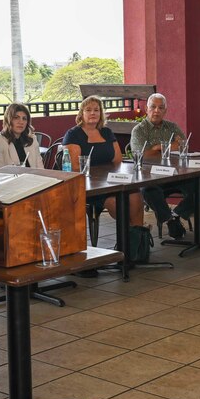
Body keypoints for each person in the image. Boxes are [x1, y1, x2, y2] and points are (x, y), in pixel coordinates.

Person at [63, 96, 144, 269]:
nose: (93, 113)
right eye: (88, 110)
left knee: (136, 194)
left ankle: (136, 248)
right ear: (81, 113)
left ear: (101, 113)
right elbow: (76, 166)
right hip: (90, 188)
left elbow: (117, 159)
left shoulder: (106, 132)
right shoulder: (73, 134)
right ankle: (131, 244)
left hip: (111, 181)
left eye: (96, 110)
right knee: (115, 201)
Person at [130, 92, 195, 240]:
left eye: (161, 108)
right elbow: (142, 155)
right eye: (153, 107)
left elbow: (184, 146)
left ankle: (176, 214)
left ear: (165, 110)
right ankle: (170, 221)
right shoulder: (139, 130)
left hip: (175, 174)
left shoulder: (172, 127)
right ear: (147, 109)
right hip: (151, 176)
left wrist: (155, 149)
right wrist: (163, 147)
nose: (156, 111)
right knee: (148, 190)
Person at [0, 102, 44, 171]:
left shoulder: (32, 140)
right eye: (16, 118)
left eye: (24, 118)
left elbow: (41, 169)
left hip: (34, 180)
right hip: (9, 181)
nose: (21, 122)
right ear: (8, 120)